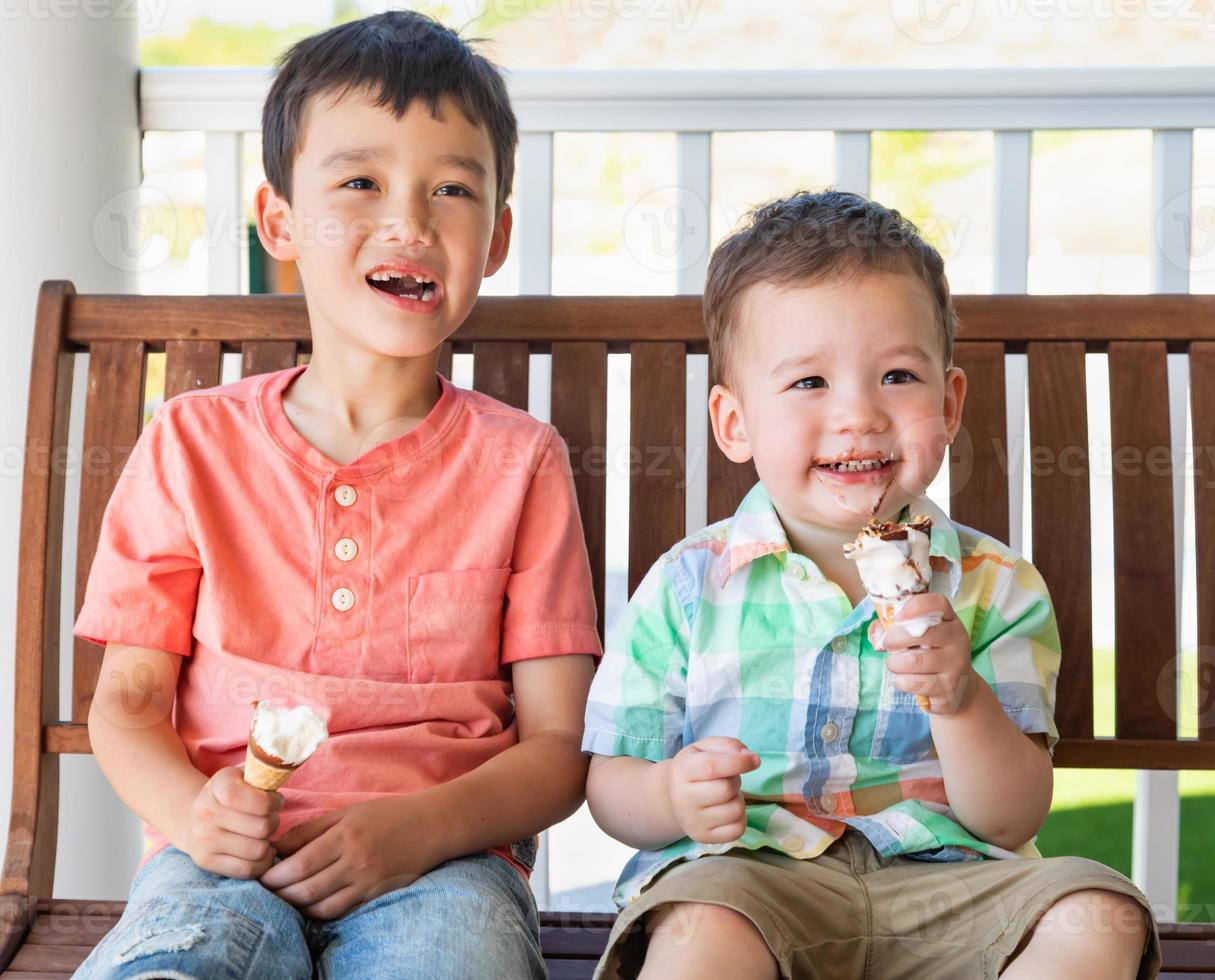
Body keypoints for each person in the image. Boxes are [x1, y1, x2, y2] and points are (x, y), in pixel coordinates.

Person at [72, 11, 600, 979]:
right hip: (220, 861)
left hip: (446, 863)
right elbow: (130, 701)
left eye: (452, 189)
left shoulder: (520, 461)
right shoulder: (193, 442)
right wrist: (198, 814)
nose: (409, 221)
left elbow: (560, 745)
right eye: (361, 182)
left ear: (497, 235)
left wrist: (420, 826)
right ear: (279, 221)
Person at [582, 190, 1160, 980]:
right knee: (697, 930)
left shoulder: (993, 587)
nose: (857, 416)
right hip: (754, 882)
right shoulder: (689, 586)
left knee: (1098, 914)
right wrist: (669, 798)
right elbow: (611, 780)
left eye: (895, 375)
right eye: (808, 383)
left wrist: (958, 700)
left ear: (949, 404)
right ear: (734, 423)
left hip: (953, 887)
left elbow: (1012, 814)